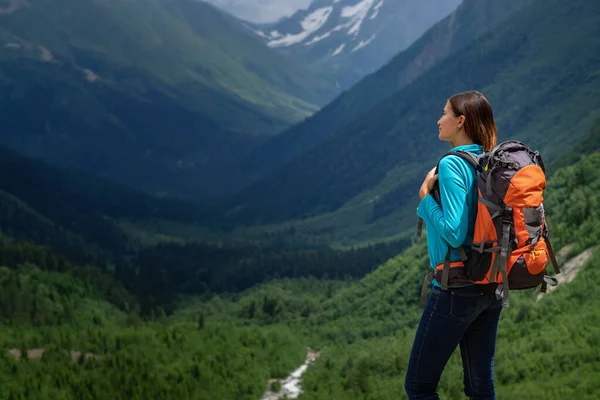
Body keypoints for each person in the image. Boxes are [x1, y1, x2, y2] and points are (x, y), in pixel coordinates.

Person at [404, 90, 502, 400]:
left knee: (419, 387)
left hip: (456, 287)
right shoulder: (488, 161)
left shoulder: (451, 164)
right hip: (491, 284)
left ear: (460, 121)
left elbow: (455, 232)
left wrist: (424, 199)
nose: (439, 119)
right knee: (480, 387)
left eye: (445, 113)